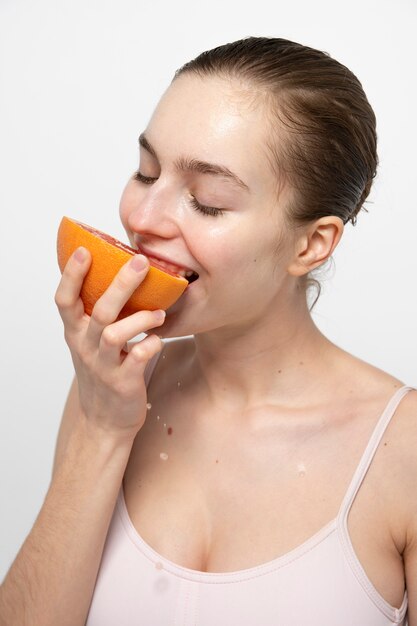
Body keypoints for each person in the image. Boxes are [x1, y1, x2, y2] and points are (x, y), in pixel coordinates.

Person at [0, 36, 416, 626]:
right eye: (146, 173)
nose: (141, 219)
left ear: (311, 243)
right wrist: (98, 432)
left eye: (208, 202)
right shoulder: (106, 398)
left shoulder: (405, 453)